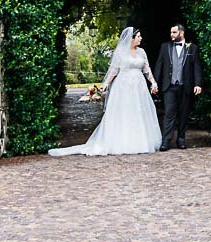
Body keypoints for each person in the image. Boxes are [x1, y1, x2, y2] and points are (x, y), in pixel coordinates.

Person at [48, 27, 161, 156]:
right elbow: (114, 70)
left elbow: (147, 69)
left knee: (138, 111)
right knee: (124, 112)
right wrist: (105, 84)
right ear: (131, 38)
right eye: (138, 36)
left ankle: (141, 141)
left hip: (139, 86)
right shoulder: (120, 53)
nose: (141, 38)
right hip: (123, 87)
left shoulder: (142, 52)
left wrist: (153, 82)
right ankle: (123, 142)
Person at [153, 23, 202, 150]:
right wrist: (155, 83)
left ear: (181, 33)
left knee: (184, 114)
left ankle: (181, 139)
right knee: (169, 114)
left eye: (174, 32)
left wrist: (197, 84)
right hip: (169, 86)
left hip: (186, 85)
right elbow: (159, 65)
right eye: (171, 32)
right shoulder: (165, 47)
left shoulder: (192, 48)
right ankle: (166, 141)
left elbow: (196, 67)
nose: (171, 35)